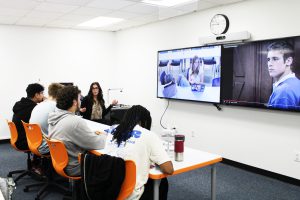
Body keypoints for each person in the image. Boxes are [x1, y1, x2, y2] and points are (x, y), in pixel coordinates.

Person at [104, 105, 174, 200]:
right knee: (162, 182)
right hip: (128, 193)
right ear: (145, 121)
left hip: (107, 187)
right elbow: (168, 169)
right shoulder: (148, 135)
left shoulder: (113, 129)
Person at [48, 85, 106, 176]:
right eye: (79, 99)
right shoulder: (75, 121)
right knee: (112, 162)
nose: (80, 101)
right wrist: (104, 135)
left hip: (59, 162)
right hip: (75, 167)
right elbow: (97, 144)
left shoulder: (53, 117)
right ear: (75, 102)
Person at [30, 83, 64, 155]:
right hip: (45, 147)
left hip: (33, 143)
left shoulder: (37, 106)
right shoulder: (56, 107)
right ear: (61, 95)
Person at [267, 40, 300, 110]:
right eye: (268, 59)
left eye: (275, 59)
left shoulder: (283, 91)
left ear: (288, 61)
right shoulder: (297, 82)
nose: (269, 64)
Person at [12, 83, 45, 150]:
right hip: (26, 141)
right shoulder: (34, 108)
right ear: (36, 95)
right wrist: (46, 103)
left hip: (19, 139)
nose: (43, 96)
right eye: (42, 93)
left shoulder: (20, 104)